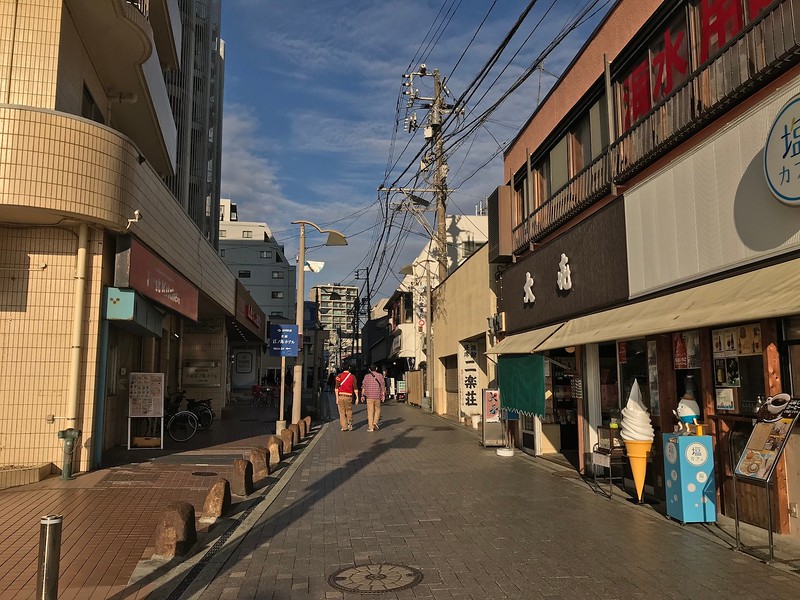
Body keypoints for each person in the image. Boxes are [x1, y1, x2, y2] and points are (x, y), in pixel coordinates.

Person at [360, 364, 386, 432]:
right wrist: (383, 395)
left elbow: (363, 386)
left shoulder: (366, 376)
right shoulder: (380, 376)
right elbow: (383, 386)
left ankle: (371, 427)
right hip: (377, 396)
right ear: (376, 368)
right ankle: (375, 422)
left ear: (370, 369)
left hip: (369, 397)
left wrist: (362, 395)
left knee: (370, 412)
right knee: (377, 410)